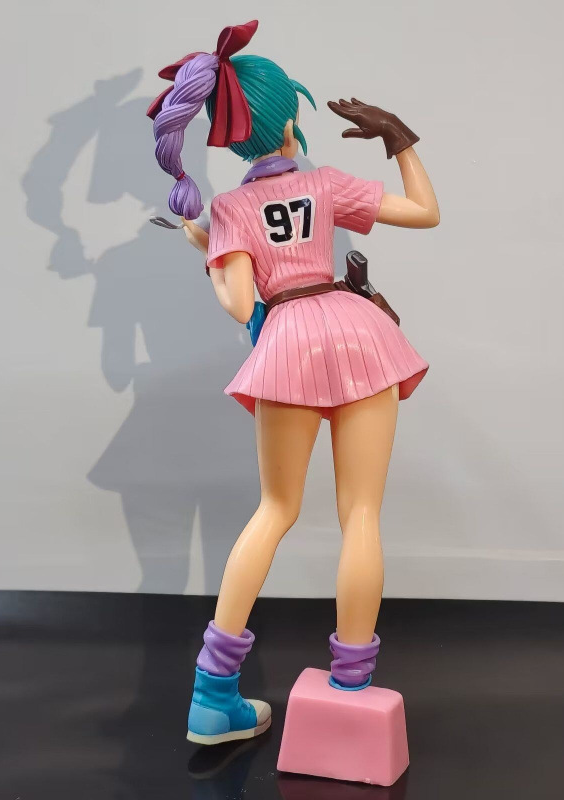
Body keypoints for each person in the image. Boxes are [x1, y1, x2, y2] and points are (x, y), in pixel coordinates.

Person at [149, 19, 439, 745]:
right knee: (362, 514)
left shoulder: (230, 209)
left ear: (230, 138)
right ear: (289, 126)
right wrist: (399, 138)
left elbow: (241, 305)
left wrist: (210, 248)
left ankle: (212, 695)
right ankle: (351, 687)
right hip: (359, 334)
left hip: (288, 343)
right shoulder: (324, 182)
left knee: (275, 509)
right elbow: (425, 212)